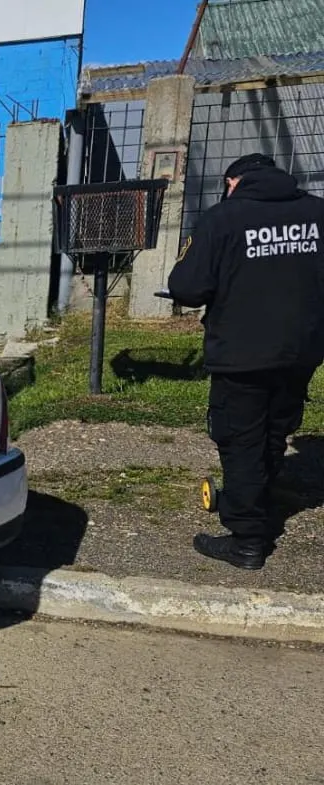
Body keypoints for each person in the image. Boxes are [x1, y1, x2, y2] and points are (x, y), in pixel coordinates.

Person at [167, 153, 324, 570]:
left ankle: (247, 539)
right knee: (275, 429)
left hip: (242, 352)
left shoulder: (223, 218)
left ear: (232, 182)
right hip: (302, 349)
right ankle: (262, 499)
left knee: (240, 440)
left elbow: (187, 287)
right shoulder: (317, 212)